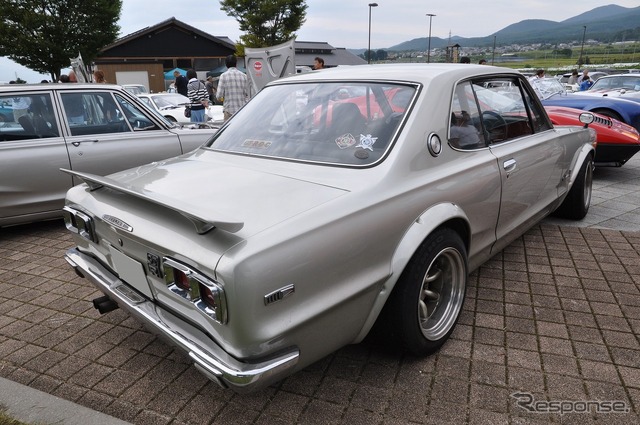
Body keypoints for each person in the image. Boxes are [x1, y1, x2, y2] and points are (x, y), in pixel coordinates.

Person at [216, 55, 249, 121]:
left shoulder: (223, 76)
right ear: (236, 64)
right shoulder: (244, 76)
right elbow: (248, 94)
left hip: (229, 111)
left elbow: (219, 96)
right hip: (242, 110)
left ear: (226, 64)